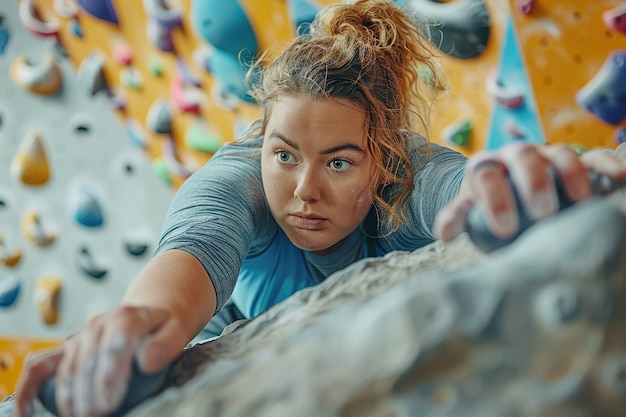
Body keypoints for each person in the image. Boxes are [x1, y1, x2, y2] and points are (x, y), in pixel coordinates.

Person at [14, 1, 626, 416]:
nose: (303, 188)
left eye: (339, 162)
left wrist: (523, 188)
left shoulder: (405, 178)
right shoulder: (237, 180)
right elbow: (197, 243)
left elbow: (459, 186)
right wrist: (139, 325)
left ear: (380, 159)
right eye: (284, 155)